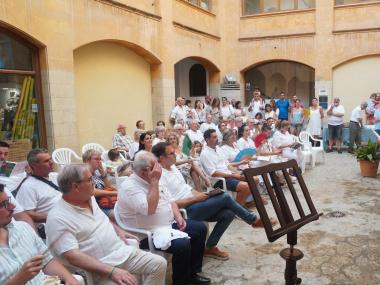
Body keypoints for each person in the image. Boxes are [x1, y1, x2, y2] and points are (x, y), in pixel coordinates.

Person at [46, 164, 167, 285]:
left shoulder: (88, 197)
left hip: (120, 252)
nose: (94, 182)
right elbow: (72, 256)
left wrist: (119, 231)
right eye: (89, 179)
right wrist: (112, 271)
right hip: (98, 268)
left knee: (159, 264)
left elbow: (101, 218)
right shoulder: (58, 217)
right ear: (75, 186)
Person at [153, 142, 270, 261]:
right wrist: (195, 198)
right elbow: (169, 204)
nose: (175, 155)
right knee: (224, 197)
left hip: (195, 203)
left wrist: (203, 195)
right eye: (172, 153)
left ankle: (210, 247)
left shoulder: (172, 168)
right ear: (162, 158)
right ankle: (253, 220)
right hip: (184, 212)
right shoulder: (160, 176)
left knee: (228, 213)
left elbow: (188, 189)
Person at [115, 152, 211, 285]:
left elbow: (171, 200)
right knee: (182, 244)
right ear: (143, 172)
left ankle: (192, 274)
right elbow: (150, 209)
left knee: (199, 228)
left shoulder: (155, 178)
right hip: (147, 234)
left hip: (168, 226)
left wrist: (178, 216)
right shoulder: (129, 187)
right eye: (156, 168)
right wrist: (154, 182)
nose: (159, 170)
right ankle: (181, 282)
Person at [0, 185, 83, 285]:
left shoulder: (22, 228)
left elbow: (47, 261)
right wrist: (19, 279)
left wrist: (69, 278)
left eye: (8, 201)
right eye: (3, 205)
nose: (12, 207)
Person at [200, 129, 252, 206]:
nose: (217, 139)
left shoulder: (218, 149)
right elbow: (213, 173)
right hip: (219, 180)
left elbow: (228, 165)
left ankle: (244, 203)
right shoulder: (205, 154)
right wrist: (233, 175)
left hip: (229, 175)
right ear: (207, 139)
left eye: (217, 137)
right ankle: (239, 210)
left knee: (254, 179)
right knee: (245, 186)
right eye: (214, 137)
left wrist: (237, 173)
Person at [16, 149, 61, 223]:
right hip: (54, 224)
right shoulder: (28, 187)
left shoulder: (57, 176)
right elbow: (26, 213)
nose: (51, 162)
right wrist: (54, 217)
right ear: (34, 165)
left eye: (50, 159)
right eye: (46, 161)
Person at [82, 149, 118, 218]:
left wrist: (103, 174)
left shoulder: (97, 172)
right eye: (96, 159)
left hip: (107, 201)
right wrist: (115, 193)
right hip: (96, 206)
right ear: (87, 161)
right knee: (119, 216)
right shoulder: (83, 173)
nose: (99, 161)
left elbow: (108, 186)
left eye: (100, 159)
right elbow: (92, 191)